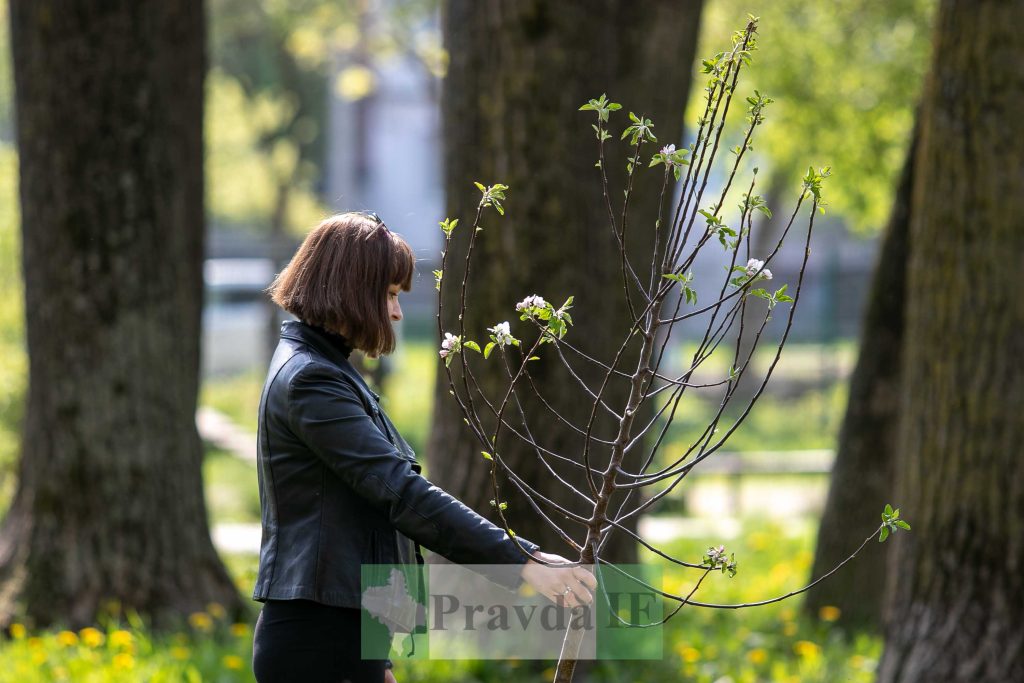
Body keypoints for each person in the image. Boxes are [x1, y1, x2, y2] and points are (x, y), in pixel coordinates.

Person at [250, 212, 597, 683]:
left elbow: (349, 518)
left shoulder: (324, 369)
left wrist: (378, 660)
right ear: (350, 288)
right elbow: (399, 492)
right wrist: (523, 562)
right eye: (390, 295)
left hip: (339, 637)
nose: (395, 312)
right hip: (319, 642)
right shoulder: (314, 380)